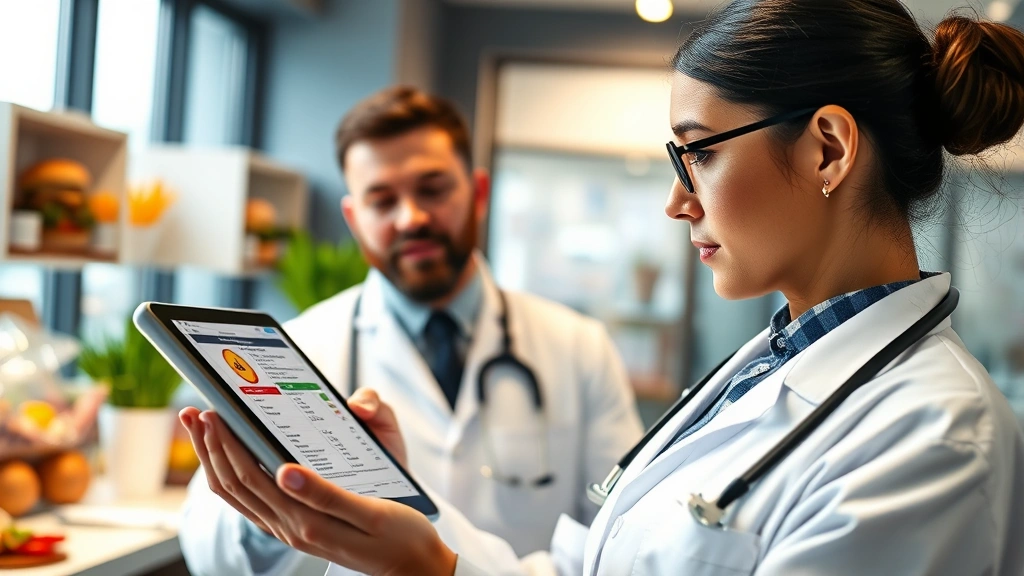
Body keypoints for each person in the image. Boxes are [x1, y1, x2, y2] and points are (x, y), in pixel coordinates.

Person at [179, 1, 1024, 574]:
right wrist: (429, 551)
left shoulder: (935, 437)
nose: (676, 198)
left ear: (830, 150)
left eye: (698, 151)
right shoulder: (763, 370)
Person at [177, 87, 644, 576]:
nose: (411, 218)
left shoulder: (578, 347)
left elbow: (622, 533)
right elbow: (209, 552)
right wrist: (264, 509)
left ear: (479, 193)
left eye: (432, 189)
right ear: (355, 220)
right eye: (382, 200)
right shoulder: (296, 348)